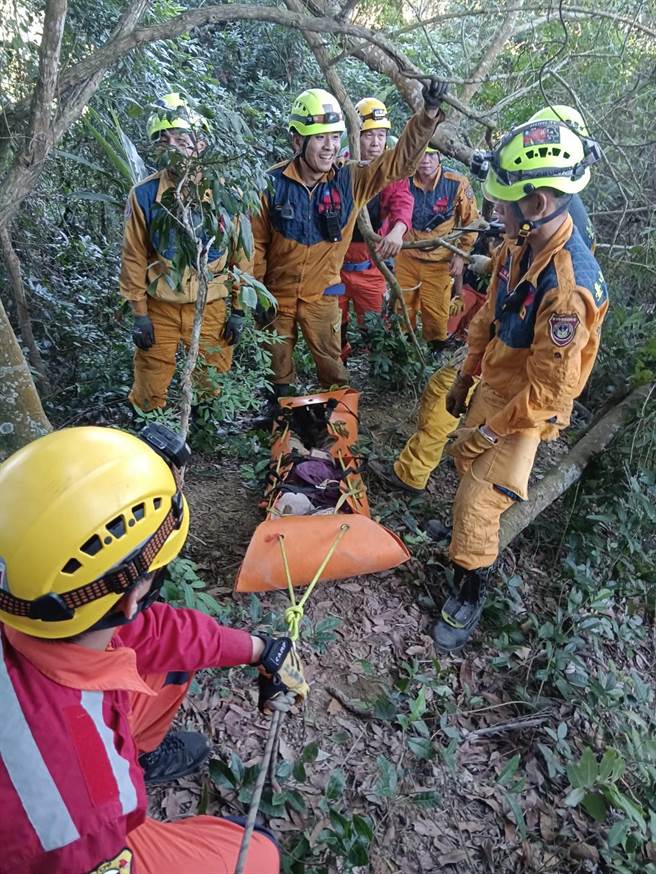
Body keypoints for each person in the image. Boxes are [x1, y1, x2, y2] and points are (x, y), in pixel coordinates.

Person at [0, 423, 307, 873]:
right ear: (128, 597)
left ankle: (137, 755)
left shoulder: (35, 608)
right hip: (87, 842)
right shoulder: (79, 814)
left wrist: (261, 650)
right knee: (259, 851)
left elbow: (156, 635)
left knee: (174, 664)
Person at [429, 115, 607, 653]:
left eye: (503, 204)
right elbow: (489, 315)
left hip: (528, 404)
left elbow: (548, 394)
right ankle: (464, 534)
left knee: (482, 501)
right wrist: (465, 376)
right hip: (503, 373)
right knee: (464, 465)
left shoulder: (567, 291)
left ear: (538, 203)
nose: (494, 213)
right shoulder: (521, 244)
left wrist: (490, 432)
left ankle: (469, 586)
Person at [252, 82, 447, 411]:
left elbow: (399, 164)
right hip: (276, 296)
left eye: (333, 137)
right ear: (298, 140)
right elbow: (255, 246)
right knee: (278, 366)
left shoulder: (351, 179)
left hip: (324, 294)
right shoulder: (271, 184)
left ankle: (338, 426)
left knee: (332, 366)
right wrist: (254, 295)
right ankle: (283, 421)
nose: (329, 147)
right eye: (319, 138)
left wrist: (426, 117)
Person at [120, 92, 250, 413]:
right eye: (165, 143)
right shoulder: (145, 195)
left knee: (213, 381)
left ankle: (205, 434)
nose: (175, 149)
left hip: (212, 305)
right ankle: (151, 441)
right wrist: (139, 315)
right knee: (150, 386)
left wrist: (239, 309)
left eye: (181, 139)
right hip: (161, 305)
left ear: (200, 144)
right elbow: (133, 257)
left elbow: (242, 255)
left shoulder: (226, 194)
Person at [369, 223, 501, 497]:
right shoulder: (544, 233)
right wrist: (493, 265)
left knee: (444, 398)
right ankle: (421, 460)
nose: (500, 214)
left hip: (498, 347)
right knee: (438, 392)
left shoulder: (542, 239)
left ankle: (412, 474)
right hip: (493, 342)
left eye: (504, 209)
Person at [338, 97, 413, 361]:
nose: (376, 142)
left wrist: (398, 230)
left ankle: (379, 368)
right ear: (356, 136)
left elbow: (403, 201)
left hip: (370, 266)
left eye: (381, 135)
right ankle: (339, 366)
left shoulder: (391, 173)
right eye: (369, 135)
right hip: (335, 266)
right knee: (335, 324)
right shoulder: (339, 168)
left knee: (374, 324)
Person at [394, 145, 480, 356]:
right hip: (407, 256)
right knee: (402, 307)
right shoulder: (404, 178)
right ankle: (403, 353)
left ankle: (434, 356)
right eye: (422, 153)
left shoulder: (456, 182)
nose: (426, 160)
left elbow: (472, 221)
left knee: (436, 314)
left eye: (431, 154)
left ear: (439, 156)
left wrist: (461, 255)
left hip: (439, 261)